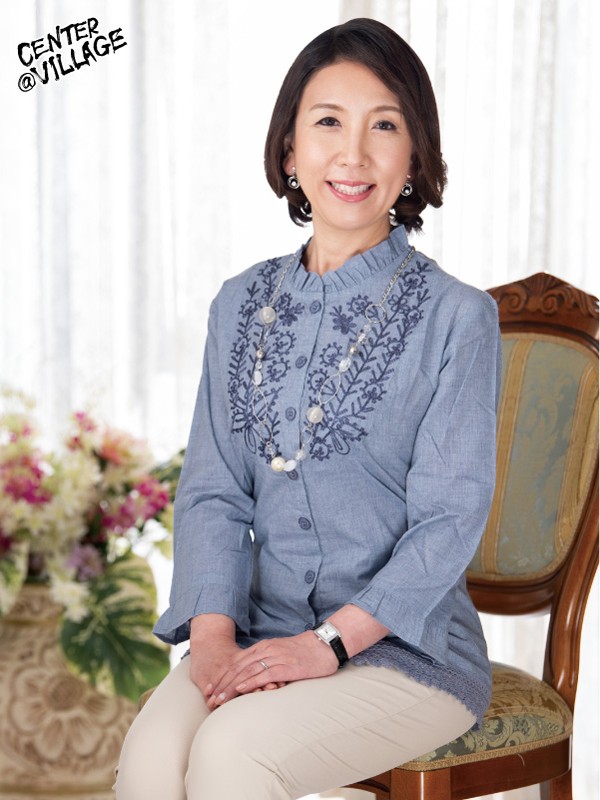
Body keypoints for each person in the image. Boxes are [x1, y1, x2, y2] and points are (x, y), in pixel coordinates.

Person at [115, 17, 501, 800]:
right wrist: (213, 642)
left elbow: (447, 522)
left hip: (408, 654)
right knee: (150, 761)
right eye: (328, 122)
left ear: (415, 156)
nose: (353, 154)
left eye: (384, 126)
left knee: (232, 756)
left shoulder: (458, 318)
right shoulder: (239, 305)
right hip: (256, 634)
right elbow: (215, 494)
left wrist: (326, 644)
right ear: (290, 150)